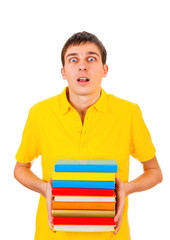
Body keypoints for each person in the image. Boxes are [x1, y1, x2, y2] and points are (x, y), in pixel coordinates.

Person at [14, 31, 163, 240]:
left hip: (112, 235)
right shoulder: (40, 113)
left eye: (91, 58)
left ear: (105, 70)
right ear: (63, 72)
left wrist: (126, 189)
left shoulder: (128, 113)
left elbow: (155, 171)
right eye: (73, 59)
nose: (82, 65)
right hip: (52, 235)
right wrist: (44, 188)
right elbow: (20, 168)